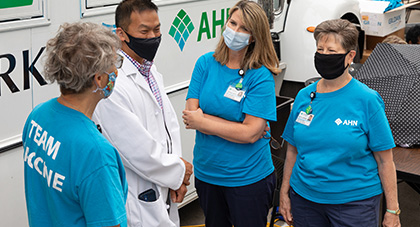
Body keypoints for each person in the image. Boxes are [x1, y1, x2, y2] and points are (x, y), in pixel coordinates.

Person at [279, 19, 400, 227]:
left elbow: (385, 161)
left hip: (354, 205)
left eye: (331, 51)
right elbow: (292, 149)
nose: (324, 56)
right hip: (305, 200)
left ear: (350, 56)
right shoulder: (303, 96)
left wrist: (392, 210)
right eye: (320, 49)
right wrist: (284, 192)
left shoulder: (367, 100)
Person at [92, 0, 193, 226]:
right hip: (139, 194)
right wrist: (177, 172)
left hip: (163, 185)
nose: (153, 37)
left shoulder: (150, 70)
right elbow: (135, 150)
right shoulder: (112, 83)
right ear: (121, 34)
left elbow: (169, 127)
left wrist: (177, 180)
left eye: (157, 29)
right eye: (144, 31)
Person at [182, 1, 281, 226]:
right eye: (233, 23)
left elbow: (251, 134)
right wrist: (234, 126)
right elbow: (190, 116)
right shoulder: (205, 63)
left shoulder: (260, 76)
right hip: (208, 175)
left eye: (244, 28)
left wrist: (204, 120)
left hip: (247, 179)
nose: (235, 31)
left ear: (254, 37)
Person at [22, 22, 127, 227]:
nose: (117, 71)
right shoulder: (96, 153)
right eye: (115, 64)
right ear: (99, 78)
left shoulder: (37, 116)